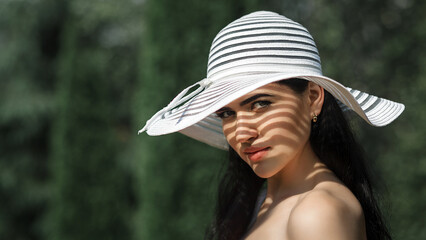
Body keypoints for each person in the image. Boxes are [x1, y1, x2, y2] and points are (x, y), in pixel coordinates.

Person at [139, 11, 404, 240]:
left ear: (313, 98)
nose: (241, 133)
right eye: (226, 113)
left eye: (260, 104)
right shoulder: (260, 202)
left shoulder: (318, 211)